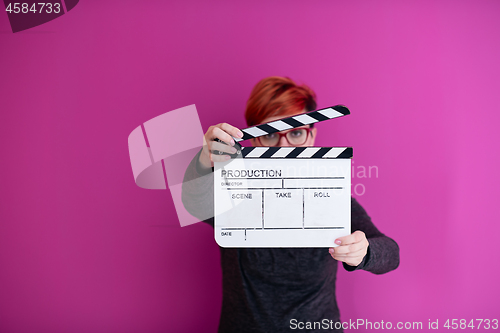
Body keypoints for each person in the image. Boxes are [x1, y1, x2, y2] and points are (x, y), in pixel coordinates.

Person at [182, 77, 399, 333]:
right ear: (253, 139)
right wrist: (202, 162)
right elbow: (194, 201)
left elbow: (391, 254)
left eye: (296, 133)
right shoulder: (233, 193)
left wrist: (365, 251)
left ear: (312, 135)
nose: (284, 147)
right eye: (270, 135)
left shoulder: (333, 199)